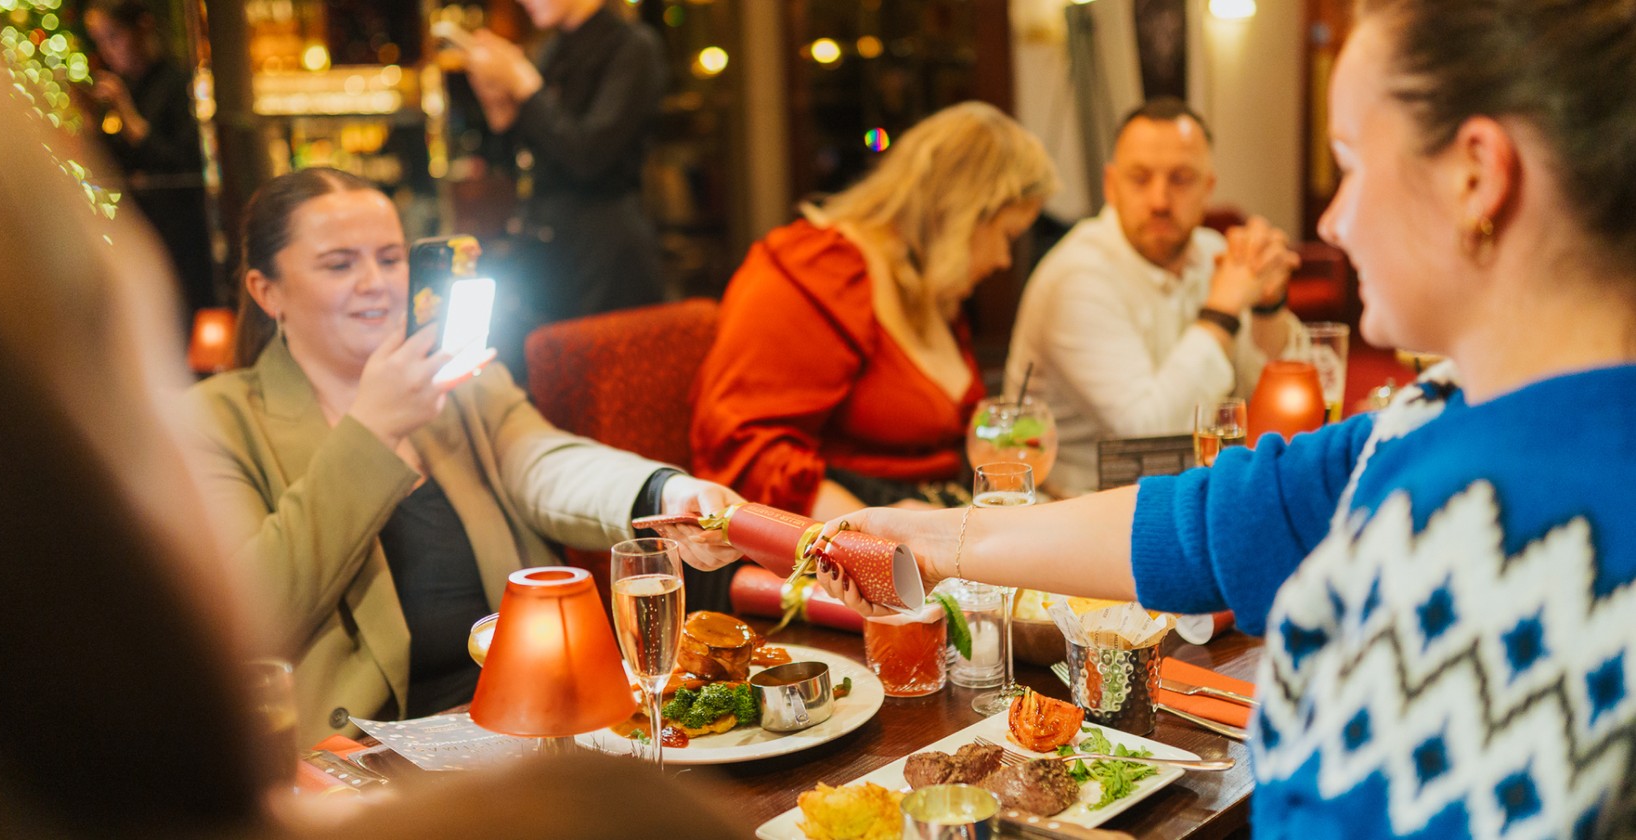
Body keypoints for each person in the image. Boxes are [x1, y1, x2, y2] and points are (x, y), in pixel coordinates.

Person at [814, 1, 1636, 836]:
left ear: (1476, 175)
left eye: (1350, 165)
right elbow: (1224, 514)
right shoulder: (1444, 418)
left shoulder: (1498, 540)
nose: (1331, 219)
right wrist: (943, 541)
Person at [188, 167, 741, 745]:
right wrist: (372, 431)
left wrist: (663, 493)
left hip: (524, 717)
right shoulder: (219, 419)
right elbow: (248, 613)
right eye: (339, 264)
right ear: (266, 290)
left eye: (391, 258)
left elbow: (541, 459)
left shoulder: (459, 377)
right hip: (367, 754)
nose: (376, 283)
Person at [690, 102, 1056, 520]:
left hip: (928, 522)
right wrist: (886, 536)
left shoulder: (927, 284)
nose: (1005, 259)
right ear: (962, 216)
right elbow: (744, 452)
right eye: (1007, 235)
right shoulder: (817, 272)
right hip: (838, 547)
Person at [1005, 98, 1302, 497]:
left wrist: (1268, 305)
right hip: (1076, 512)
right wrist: (1222, 312)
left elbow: (1272, 400)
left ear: (1208, 188)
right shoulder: (1077, 275)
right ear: (1111, 186)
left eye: (1180, 179)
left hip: (1187, 498)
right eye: (1140, 178)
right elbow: (1150, 434)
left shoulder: (1211, 251)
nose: (1160, 201)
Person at [457, 0, 666, 330]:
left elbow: (588, 156)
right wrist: (499, 107)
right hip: (547, 250)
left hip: (606, 254)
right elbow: (527, 163)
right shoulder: (551, 50)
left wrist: (524, 82)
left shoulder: (632, 47)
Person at [82, 0, 217, 321]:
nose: (108, 50)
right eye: (100, 41)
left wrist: (128, 117)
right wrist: (90, 124)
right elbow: (118, 165)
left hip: (183, 233)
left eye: (113, 37)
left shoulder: (177, 83)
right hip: (142, 229)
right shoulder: (129, 86)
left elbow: (185, 162)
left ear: (141, 28)